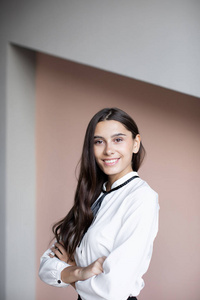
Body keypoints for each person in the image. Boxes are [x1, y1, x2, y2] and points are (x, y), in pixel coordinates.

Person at [39, 107, 159, 300]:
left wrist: (70, 272)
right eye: (98, 142)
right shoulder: (92, 195)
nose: (108, 150)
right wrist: (81, 272)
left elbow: (112, 290)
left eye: (118, 139)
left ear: (135, 143)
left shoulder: (142, 198)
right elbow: (46, 267)